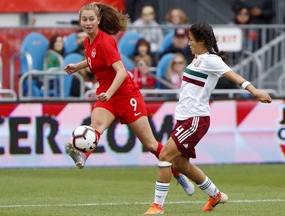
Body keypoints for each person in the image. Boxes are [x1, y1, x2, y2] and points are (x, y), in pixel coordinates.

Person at [64, 2, 195, 197]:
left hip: (125, 95)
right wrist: (78, 66)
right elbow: (95, 60)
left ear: (99, 20)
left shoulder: (105, 41)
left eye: (92, 19)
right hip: (107, 94)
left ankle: (177, 173)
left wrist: (109, 93)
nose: (88, 22)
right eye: (84, 19)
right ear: (80, 21)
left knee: (151, 145)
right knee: (96, 126)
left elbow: (121, 73)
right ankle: (82, 154)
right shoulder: (88, 42)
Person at [144, 22, 272, 215]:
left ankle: (157, 206)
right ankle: (215, 195)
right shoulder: (197, 59)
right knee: (179, 164)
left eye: (191, 39)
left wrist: (255, 91)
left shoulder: (211, 60)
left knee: (164, 156)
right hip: (184, 118)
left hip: (195, 119)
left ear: (202, 41)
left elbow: (234, 76)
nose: (188, 43)